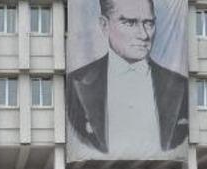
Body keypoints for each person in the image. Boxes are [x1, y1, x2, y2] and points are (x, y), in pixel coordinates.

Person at [66, 0, 188, 156]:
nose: (144, 35)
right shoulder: (76, 82)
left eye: (149, 23)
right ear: (104, 25)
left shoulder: (180, 86)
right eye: (130, 23)